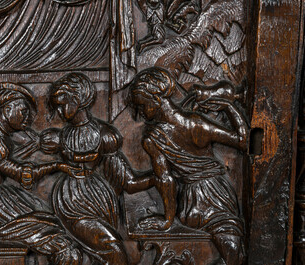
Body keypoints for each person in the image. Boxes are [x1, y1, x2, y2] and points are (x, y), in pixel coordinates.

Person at [128, 67, 247, 265]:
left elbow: (165, 179)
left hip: (193, 204)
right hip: (218, 196)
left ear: (156, 99)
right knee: (234, 254)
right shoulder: (195, 124)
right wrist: (228, 106)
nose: (140, 113)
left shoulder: (154, 138)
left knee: (233, 255)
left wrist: (168, 219)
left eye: (142, 105)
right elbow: (242, 139)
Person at [0, 82, 82, 265]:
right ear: (8, 110)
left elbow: (23, 139)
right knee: (55, 236)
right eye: (23, 112)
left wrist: (40, 142)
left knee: (47, 215)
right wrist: (58, 166)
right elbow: (23, 174)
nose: (27, 119)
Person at [46, 73, 136, 265]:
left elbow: (122, 177)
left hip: (98, 197)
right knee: (114, 251)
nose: (59, 111)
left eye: (62, 104)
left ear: (78, 99)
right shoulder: (61, 136)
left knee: (102, 255)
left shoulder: (104, 134)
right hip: (72, 199)